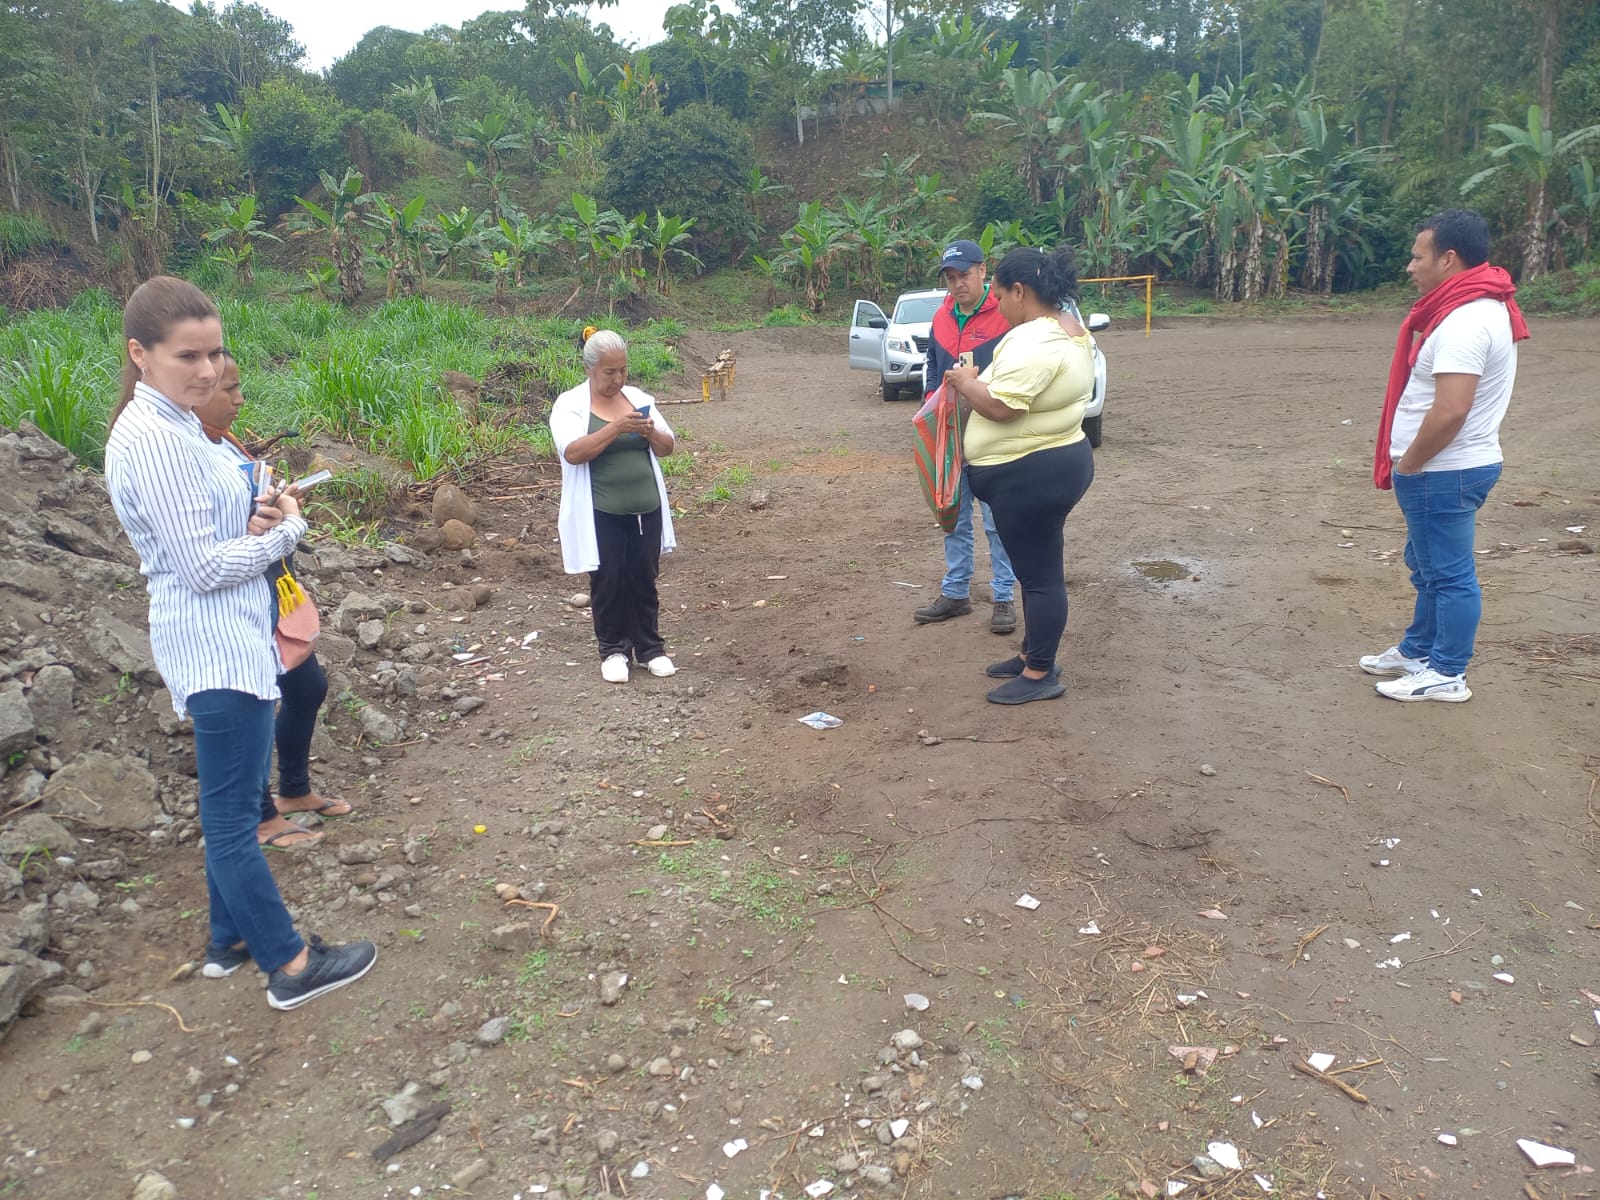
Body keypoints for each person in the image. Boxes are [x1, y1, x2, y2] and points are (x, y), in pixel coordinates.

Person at [105, 277, 376, 1009]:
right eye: (187, 356)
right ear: (140, 353)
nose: (206, 370)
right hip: (213, 643)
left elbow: (209, 536)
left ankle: (227, 939)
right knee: (232, 819)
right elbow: (200, 569)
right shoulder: (156, 440)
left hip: (233, 637)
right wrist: (289, 531)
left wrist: (256, 518)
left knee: (230, 801)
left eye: (214, 353)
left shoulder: (176, 426)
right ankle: (289, 966)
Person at [1360, 209, 1529, 703]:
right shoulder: (1477, 306)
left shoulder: (1465, 321)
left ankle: (1447, 672)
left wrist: (1410, 462)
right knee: (1428, 564)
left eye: (1418, 257)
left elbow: (1451, 410)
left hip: (1443, 470)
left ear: (1448, 258)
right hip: (1448, 468)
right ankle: (1419, 651)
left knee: (1449, 575)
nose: (1410, 267)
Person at [193, 351, 353, 850]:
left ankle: (293, 790)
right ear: (196, 391)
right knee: (256, 701)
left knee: (306, 687)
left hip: (268, 582)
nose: (240, 399)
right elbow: (207, 542)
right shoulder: (185, 452)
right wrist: (279, 520)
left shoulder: (223, 443)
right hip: (236, 593)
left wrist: (273, 505)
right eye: (230, 389)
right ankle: (260, 816)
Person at [944, 247, 1096, 705]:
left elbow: (1002, 406)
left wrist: (965, 381)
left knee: (1041, 577)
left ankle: (1039, 673)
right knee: (1036, 572)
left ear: (1019, 290)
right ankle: (1034, 652)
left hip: (1033, 475)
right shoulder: (1067, 328)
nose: (998, 306)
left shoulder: (1036, 340)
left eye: (998, 295)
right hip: (1047, 467)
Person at [550, 328, 679, 684]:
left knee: (644, 578)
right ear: (589, 368)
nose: (618, 378)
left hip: (646, 509)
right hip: (601, 511)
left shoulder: (637, 398)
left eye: (622, 370)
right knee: (608, 580)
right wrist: (616, 427)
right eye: (609, 372)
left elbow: (667, 446)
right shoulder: (570, 405)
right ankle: (613, 650)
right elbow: (574, 452)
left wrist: (650, 432)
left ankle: (650, 648)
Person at [913, 239, 1017, 635]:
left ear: (983, 271)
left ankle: (1004, 596)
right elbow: (932, 365)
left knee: (997, 520)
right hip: (950, 435)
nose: (958, 284)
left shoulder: (1004, 314)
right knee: (953, 516)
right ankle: (956, 592)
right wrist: (930, 405)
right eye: (951, 278)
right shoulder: (941, 317)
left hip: (993, 434)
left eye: (965, 275)